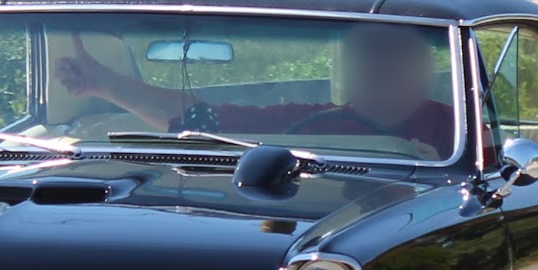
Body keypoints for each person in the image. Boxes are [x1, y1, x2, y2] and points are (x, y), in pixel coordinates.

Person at [54, 26, 453, 159]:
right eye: (369, 59)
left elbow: (493, 187)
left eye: (393, 58)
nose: (380, 70)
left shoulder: (454, 129)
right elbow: (204, 121)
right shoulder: (314, 121)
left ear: (420, 66)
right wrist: (103, 83)